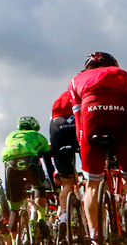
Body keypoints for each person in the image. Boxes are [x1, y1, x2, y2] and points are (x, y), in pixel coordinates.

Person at [68, 52, 127, 242]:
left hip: (91, 118)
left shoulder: (75, 80)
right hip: (122, 119)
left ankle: (95, 234)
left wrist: (84, 143)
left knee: (92, 183)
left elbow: (78, 119)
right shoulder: (123, 74)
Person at [2, 116, 53, 241]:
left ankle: (14, 242)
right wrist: (54, 186)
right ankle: (41, 219)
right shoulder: (38, 136)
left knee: (14, 208)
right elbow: (49, 164)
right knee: (38, 186)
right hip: (30, 161)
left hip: (10, 164)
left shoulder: (11, 135)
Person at [48, 88, 78, 226]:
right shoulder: (84, 91)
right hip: (77, 121)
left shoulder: (61, 98)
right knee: (94, 176)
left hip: (57, 125)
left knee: (67, 184)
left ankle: (64, 216)